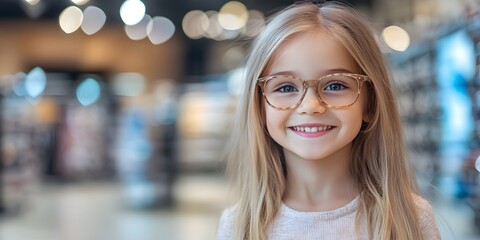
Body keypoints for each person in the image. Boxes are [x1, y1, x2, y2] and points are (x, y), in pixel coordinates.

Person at [217, 1, 441, 240]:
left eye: (335, 85)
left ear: (370, 102)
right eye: (285, 87)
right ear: (259, 107)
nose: (311, 106)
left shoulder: (412, 219)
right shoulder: (238, 225)